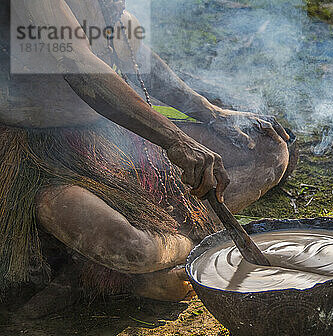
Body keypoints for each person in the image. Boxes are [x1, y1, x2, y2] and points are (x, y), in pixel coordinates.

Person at [0, 0, 293, 316]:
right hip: (42, 159)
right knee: (130, 247)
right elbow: (80, 65)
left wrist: (212, 113)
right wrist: (175, 140)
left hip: (116, 140)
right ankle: (152, 262)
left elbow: (138, 57)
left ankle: (168, 252)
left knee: (268, 150)